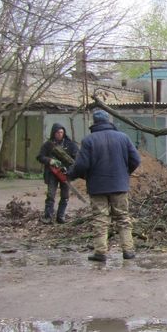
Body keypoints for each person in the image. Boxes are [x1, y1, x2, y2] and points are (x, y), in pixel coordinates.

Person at [66, 109, 141, 262]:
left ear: (94, 122)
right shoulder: (123, 137)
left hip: (97, 186)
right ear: (109, 121)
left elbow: (81, 165)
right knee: (123, 218)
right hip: (119, 185)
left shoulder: (89, 140)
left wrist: (72, 175)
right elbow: (136, 160)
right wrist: (124, 174)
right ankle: (128, 250)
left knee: (100, 219)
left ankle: (100, 252)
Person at [36, 123, 80, 223]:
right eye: (57, 132)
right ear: (53, 133)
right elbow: (40, 157)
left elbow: (76, 158)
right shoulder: (48, 144)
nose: (59, 134)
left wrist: (71, 169)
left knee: (65, 196)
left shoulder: (70, 144)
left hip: (66, 173)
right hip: (52, 173)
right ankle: (48, 217)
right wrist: (49, 160)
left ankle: (61, 217)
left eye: (61, 132)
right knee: (51, 195)